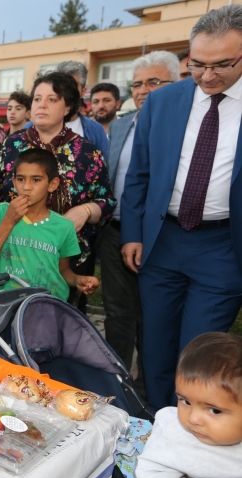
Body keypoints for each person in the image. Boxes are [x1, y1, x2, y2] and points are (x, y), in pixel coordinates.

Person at [120, 4, 242, 411]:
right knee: (155, 343)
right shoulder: (163, 102)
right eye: (197, 65)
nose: (208, 76)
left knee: (198, 351)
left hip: (224, 246)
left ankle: (193, 430)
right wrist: (133, 233)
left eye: (222, 64)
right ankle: (158, 423)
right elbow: (139, 174)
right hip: (161, 242)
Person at [0, 72, 115, 305]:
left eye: (52, 99)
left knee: (59, 328)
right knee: (2, 323)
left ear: (67, 106)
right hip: (12, 256)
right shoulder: (12, 145)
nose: (42, 105)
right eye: (37, 99)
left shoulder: (87, 152)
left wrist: (86, 211)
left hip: (66, 260)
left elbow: (107, 200)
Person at [102, 51, 179, 394]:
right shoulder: (119, 125)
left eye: (154, 81)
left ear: (177, 84)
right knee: (118, 315)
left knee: (154, 318)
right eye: (137, 83)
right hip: (114, 233)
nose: (144, 90)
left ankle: (150, 392)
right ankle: (116, 386)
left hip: (160, 237)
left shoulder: (182, 127)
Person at [0, 148, 99, 300]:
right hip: (7, 305)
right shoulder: (2, 212)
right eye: (21, 179)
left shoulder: (64, 226)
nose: (26, 187)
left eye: (36, 180)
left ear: (52, 184)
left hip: (48, 308)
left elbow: (63, 270)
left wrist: (77, 280)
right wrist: (9, 220)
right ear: (14, 181)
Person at [135, 333, 242, 478]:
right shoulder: (173, 431)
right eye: (185, 401)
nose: (193, 418)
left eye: (214, 410)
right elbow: (151, 471)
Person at [52, 61, 110, 155]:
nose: (66, 93)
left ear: (83, 91)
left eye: (72, 87)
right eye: (61, 87)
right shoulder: (32, 129)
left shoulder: (95, 129)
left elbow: (105, 166)